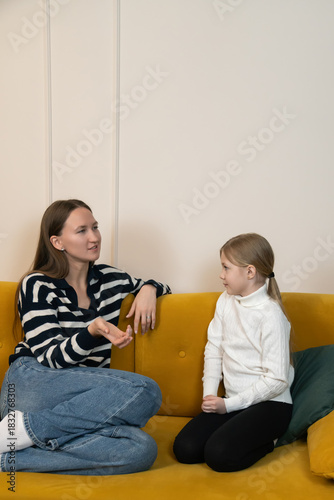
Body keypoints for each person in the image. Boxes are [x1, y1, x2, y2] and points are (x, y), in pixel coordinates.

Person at [0, 199, 171, 475]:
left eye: (95, 227)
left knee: (141, 449)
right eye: (82, 231)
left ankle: (15, 446)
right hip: (31, 384)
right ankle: (20, 430)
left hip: (79, 401)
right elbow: (51, 358)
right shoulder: (37, 284)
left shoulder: (112, 279)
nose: (94, 237)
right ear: (57, 242)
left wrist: (150, 288)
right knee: (146, 391)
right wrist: (92, 331)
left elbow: (161, 287)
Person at [173, 233, 294, 472]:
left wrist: (228, 406)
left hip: (270, 404)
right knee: (185, 449)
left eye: (226, 268)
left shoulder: (271, 315)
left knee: (219, 456)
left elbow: (277, 380)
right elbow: (214, 349)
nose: (221, 275)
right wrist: (210, 397)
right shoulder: (225, 301)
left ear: (250, 272)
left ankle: (269, 442)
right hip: (233, 402)